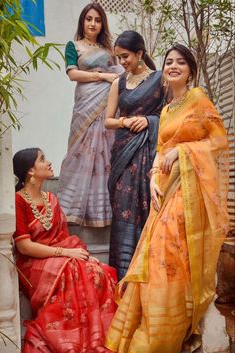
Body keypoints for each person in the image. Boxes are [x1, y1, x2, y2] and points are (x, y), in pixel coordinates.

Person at [105, 44, 230, 353]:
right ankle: (157, 324)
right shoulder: (166, 109)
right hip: (163, 192)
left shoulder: (198, 99)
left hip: (190, 192)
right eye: (168, 62)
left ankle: (172, 328)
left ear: (190, 69)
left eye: (180, 62)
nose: (173, 66)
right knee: (156, 258)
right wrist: (151, 181)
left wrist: (181, 151)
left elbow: (218, 141)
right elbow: (159, 151)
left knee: (171, 259)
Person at [13, 148, 117, 353]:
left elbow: (64, 238)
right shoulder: (18, 201)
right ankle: (67, 339)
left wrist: (82, 255)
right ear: (30, 171)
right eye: (43, 159)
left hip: (58, 255)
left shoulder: (51, 198)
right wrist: (66, 254)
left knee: (97, 271)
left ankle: (92, 337)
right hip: (33, 262)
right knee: (73, 270)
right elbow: (24, 246)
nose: (49, 162)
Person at [105, 30, 164, 280]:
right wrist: (127, 123)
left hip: (149, 154)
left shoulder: (161, 80)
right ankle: (123, 278)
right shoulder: (118, 82)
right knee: (121, 210)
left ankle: (146, 279)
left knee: (146, 210)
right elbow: (108, 121)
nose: (122, 62)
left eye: (125, 56)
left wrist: (149, 121)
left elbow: (170, 117)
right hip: (123, 154)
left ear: (140, 53)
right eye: (119, 58)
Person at [57, 3, 122, 227]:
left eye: (97, 20)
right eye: (88, 19)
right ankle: (71, 208)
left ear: (102, 23)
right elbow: (73, 74)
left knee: (105, 152)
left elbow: (120, 74)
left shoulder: (109, 50)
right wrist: (102, 77)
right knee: (80, 150)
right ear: (82, 22)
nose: (92, 24)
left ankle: (102, 212)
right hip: (85, 104)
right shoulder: (73, 46)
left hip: (107, 105)